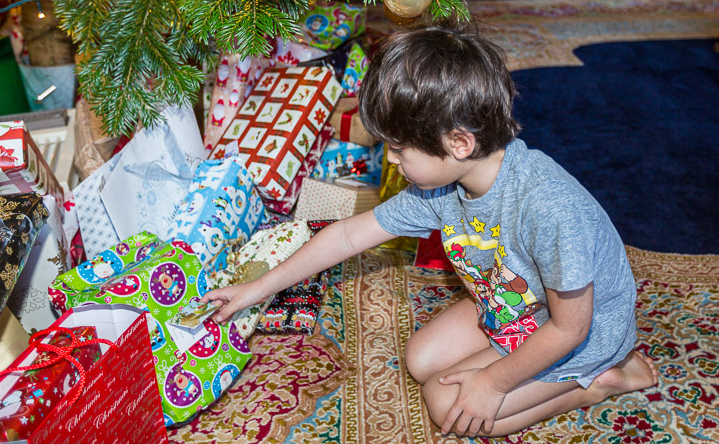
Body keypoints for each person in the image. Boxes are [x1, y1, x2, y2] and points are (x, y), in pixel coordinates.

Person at [201, 22, 658, 437]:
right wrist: (258, 287)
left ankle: (600, 383)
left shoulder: (550, 206)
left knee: (448, 404)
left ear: (459, 143)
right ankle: (535, 368)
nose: (391, 160)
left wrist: (493, 384)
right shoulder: (444, 187)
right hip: (518, 307)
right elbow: (346, 236)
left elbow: (569, 329)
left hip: (580, 335)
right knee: (421, 358)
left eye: (398, 148)